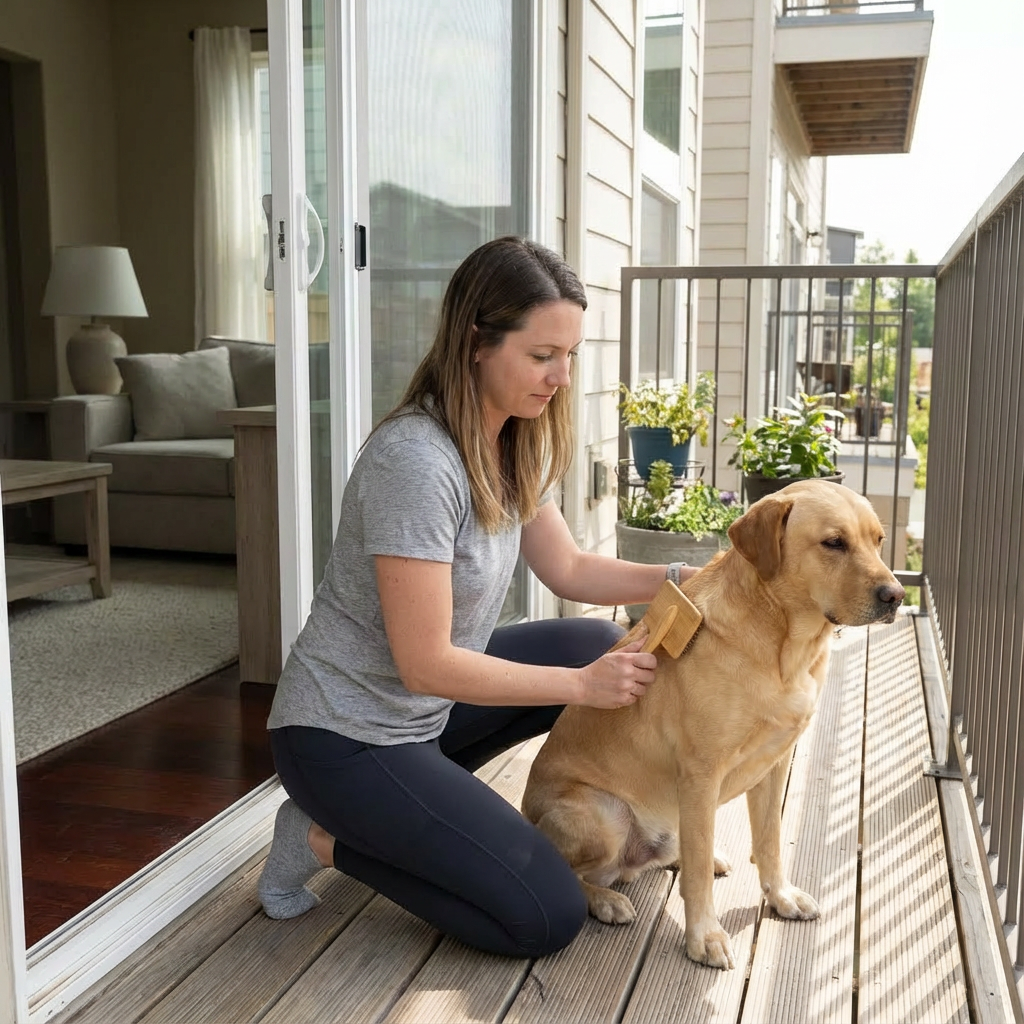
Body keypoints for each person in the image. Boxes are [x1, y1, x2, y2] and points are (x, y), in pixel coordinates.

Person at [258, 236, 698, 958]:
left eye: (570, 356)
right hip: (343, 737)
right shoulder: (415, 462)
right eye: (540, 355)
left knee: (593, 639)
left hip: (422, 716)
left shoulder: (508, 440)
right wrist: (583, 688)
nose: (559, 376)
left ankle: (429, 807)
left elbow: (572, 570)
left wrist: (684, 579)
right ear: (476, 343)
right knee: (544, 916)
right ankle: (317, 836)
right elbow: (425, 664)